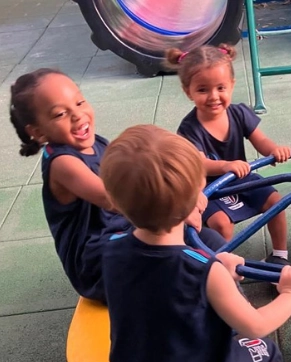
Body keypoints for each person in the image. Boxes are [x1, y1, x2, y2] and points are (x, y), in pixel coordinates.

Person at [100, 125, 291, 362]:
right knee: (266, 352)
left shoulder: (111, 248)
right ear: (196, 200)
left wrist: (216, 271)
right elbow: (257, 325)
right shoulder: (204, 270)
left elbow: (161, 279)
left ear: (114, 200)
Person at [8, 68, 226, 303]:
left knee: (211, 243)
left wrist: (184, 181)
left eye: (79, 102)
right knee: (187, 262)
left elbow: (135, 173)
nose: (77, 115)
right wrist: (178, 208)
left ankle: (224, 303)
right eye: (60, 114)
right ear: (38, 131)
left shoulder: (98, 143)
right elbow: (114, 199)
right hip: (99, 262)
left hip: (130, 233)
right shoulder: (63, 164)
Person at [165, 44, 291, 266]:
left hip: (241, 178)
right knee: (222, 224)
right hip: (209, 189)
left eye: (220, 88)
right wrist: (225, 165)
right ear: (188, 91)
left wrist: (274, 150)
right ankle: (222, 267)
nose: (213, 96)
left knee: (276, 201)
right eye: (203, 90)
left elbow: (260, 140)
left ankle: (279, 256)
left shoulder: (238, 113)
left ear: (232, 85)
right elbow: (199, 163)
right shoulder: (189, 128)